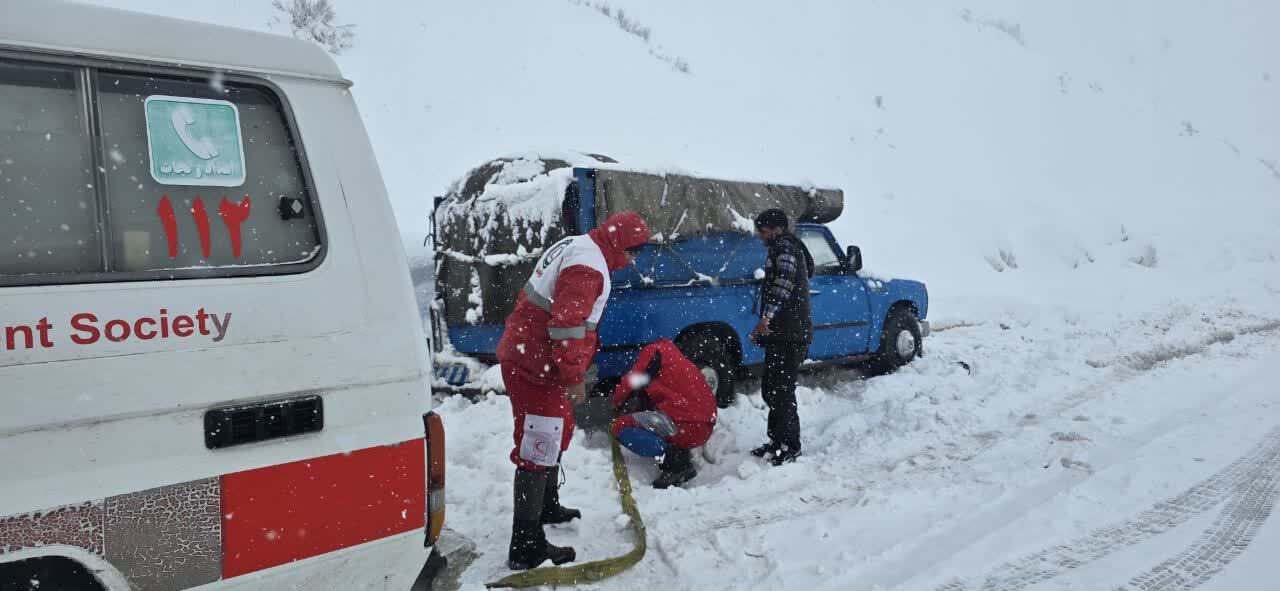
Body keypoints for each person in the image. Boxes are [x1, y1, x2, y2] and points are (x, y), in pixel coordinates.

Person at [495, 212, 649, 571]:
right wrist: (573, 376)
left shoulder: (582, 245)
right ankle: (526, 543)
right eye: (632, 252)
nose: (632, 260)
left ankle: (547, 504)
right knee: (540, 444)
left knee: (558, 427)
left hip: (530, 354)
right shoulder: (588, 266)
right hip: (536, 365)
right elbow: (566, 325)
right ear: (619, 243)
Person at [748, 208, 813, 467]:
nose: (760, 235)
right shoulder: (783, 247)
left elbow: (783, 283)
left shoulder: (785, 248)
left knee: (782, 391)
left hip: (790, 334)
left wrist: (767, 318)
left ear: (775, 228)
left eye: (762, 230)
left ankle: (790, 446)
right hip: (783, 333)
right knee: (772, 389)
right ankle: (776, 441)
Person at [610, 339, 718, 489]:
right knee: (652, 420)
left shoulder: (654, 351)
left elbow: (631, 381)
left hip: (685, 423)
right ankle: (678, 452)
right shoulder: (677, 360)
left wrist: (617, 403)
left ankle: (676, 464)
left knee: (620, 426)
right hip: (704, 426)